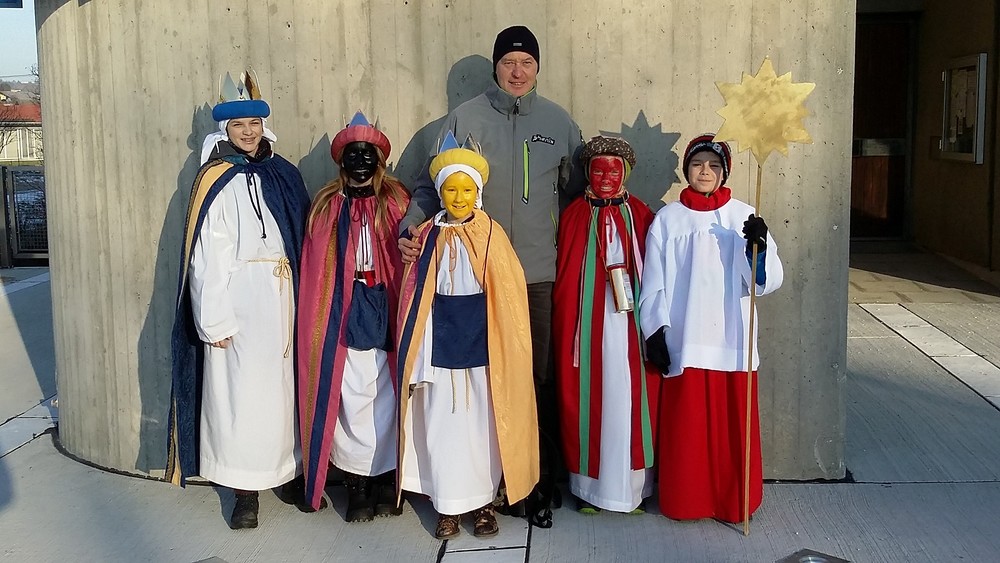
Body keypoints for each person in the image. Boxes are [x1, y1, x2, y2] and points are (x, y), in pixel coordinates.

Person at [398, 24, 584, 519]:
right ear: (496, 67)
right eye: (508, 63)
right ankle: (487, 479)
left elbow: (576, 194)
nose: (517, 72)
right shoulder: (466, 117)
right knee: (484, 379)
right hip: (476, 273)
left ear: (537, 68)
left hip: (537, 274)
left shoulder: (558, 122)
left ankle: (533, 481)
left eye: (526, 63)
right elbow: (432, 182)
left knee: (535, 377)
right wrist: (411, 226)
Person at [166, 70, 312, 529]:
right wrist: (214, 320)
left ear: (264, 125)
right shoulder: (216, 178)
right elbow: (206, 255)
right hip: (239, 304)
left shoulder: (284, 173)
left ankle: (287, 471)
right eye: (238, 125)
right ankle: (244, 489)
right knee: (241, 398)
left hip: (284, 299)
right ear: (224, 129)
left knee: (285, 391)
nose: (247, 132)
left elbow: (303, 236)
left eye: (253, 123)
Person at [396, 135, 538, 539]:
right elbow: (413, 295)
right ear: (440, 192)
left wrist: (504, 348)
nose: (459, 198)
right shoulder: (425, 234)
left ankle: (482, 504)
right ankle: (447, 506)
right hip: (437, 347)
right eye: (451, 190)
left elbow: (508, 296)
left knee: (482, 428)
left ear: (478, 193)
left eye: (466, 190)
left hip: (482, 347)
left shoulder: (491, 234)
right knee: (440, 425)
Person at [638, 134, 784, 523]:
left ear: (724, 173)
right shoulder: (668, 219)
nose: (705, 171)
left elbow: (765, 281)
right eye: (697, 163)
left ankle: (733, 500)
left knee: (731, 428)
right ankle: (688, 501)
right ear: (687, 169)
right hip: (685, 338)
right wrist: (655, 329)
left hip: (731, 339)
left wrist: (757, 252)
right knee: (688, 431)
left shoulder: (743, 216)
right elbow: (653, 282)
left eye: (714, 165)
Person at [296, 112, 410, 521]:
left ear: (379, 160)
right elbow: (316, 267)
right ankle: (357, 481)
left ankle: (386, 478)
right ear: (340, 160)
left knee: (387, 391)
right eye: (352, 155)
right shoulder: (327, 206)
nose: (360, 162)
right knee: (348, 392)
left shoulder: (396, 201)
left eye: (367, 155)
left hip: (384, 304)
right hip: (341, 310)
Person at [552, 136, 659, 514]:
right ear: (587, 174)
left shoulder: (642, 214)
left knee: (630, 397)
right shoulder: (574, 215)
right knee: (589, 396)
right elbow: (567, 276)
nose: (606, 178)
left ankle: (633, 489)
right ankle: (589, 489)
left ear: (625, 173)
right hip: (587, 326)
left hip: (629, 325)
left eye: (614, 171)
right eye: (598, 171)